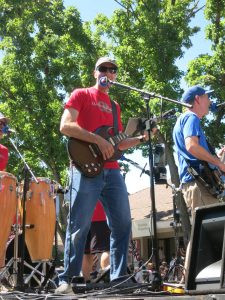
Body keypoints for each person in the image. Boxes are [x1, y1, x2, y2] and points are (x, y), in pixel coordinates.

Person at [55, 56, 150, 294]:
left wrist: (140, 138)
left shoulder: (116, 107)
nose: (109, 71)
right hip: (84, 168)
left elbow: (117, 143)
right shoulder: (81, 94)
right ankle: (67, 279)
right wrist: (97, 139)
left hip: (112, 171)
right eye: (104, 68)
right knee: (79, 225)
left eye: (113, 69)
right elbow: (65, 126)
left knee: (122, 225)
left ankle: (118, 279)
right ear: (95, 72)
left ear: (116, 75)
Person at [173, 85, 225, 280]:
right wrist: (218, 163)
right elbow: (191, 146)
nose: (210, 101)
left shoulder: (185, 120)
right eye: (207, 97)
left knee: (202, 234)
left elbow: (194, 150)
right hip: (198, 186)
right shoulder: (191, 118)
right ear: (196, 100)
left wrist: (215, 156)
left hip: (195, 184)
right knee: (205, 235)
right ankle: (192, 283)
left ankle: (191, 282)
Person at [82, 201, 110, 281]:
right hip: (101, 214)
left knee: (86, 252)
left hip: (83, 215)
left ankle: (86, 283)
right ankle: (107, 281)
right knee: (107, 249)